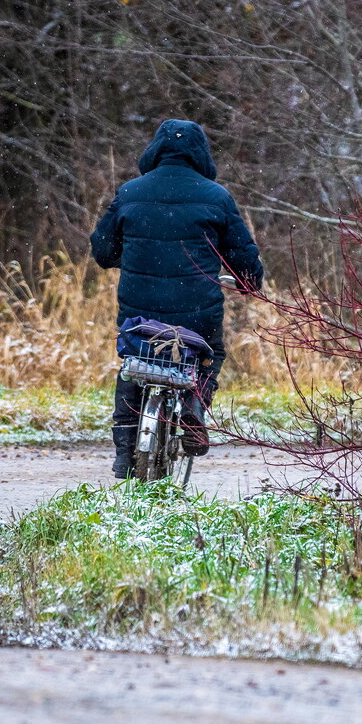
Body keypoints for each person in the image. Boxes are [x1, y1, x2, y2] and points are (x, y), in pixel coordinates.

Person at [91, 119, 263, 479]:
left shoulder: (130, 192)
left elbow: (103, 251)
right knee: (209, 352)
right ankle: (194, 406)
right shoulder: (216, 196)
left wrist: (132, 256)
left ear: (155, 150)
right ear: (200, 154)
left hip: (141, 312)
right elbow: (242, 256)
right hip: (196, 313)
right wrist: (248, 283)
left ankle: (124, 453)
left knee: (134, 363)